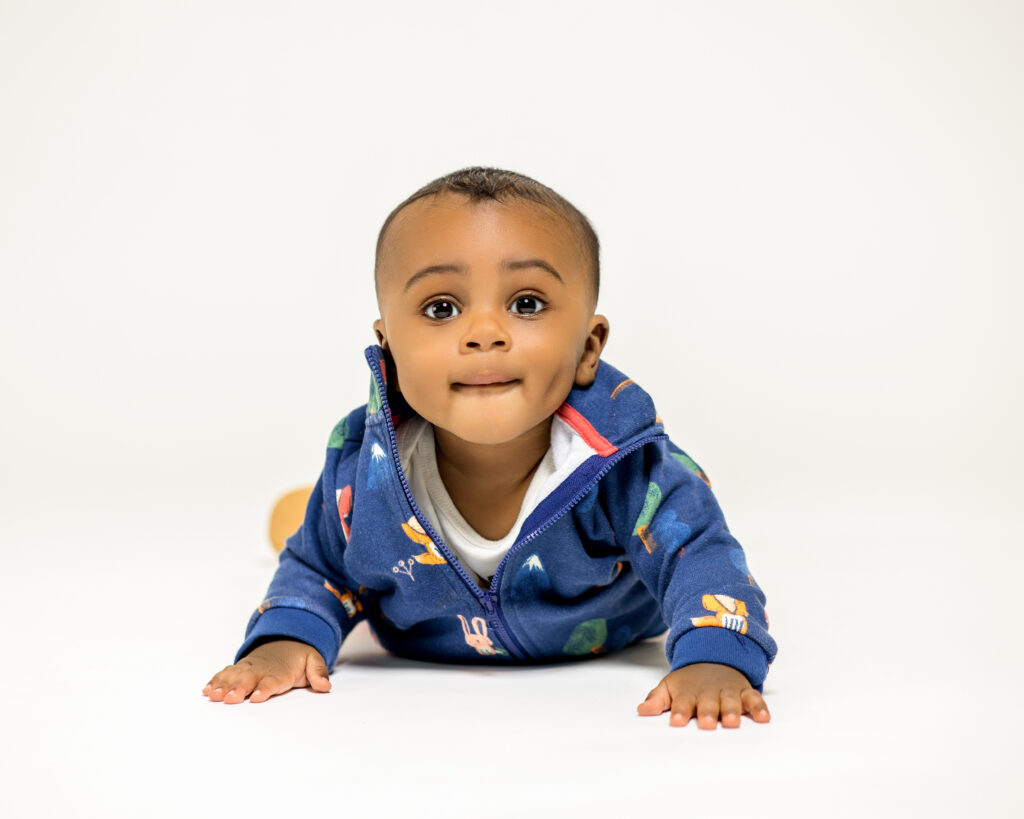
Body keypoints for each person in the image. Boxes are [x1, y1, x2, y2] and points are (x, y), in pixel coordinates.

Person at [202, 167, 778, 729]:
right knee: (315, 528)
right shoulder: (359, 475)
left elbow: (700, 557)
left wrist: (714, 658)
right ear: (390, 348)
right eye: (441, 308)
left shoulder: (627, 465)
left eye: (526, 304)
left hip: (612, 629)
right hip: (405, 585)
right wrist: (287, 637)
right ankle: (297, 510)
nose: (483, 333)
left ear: (587, 347)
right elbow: (318, 568)